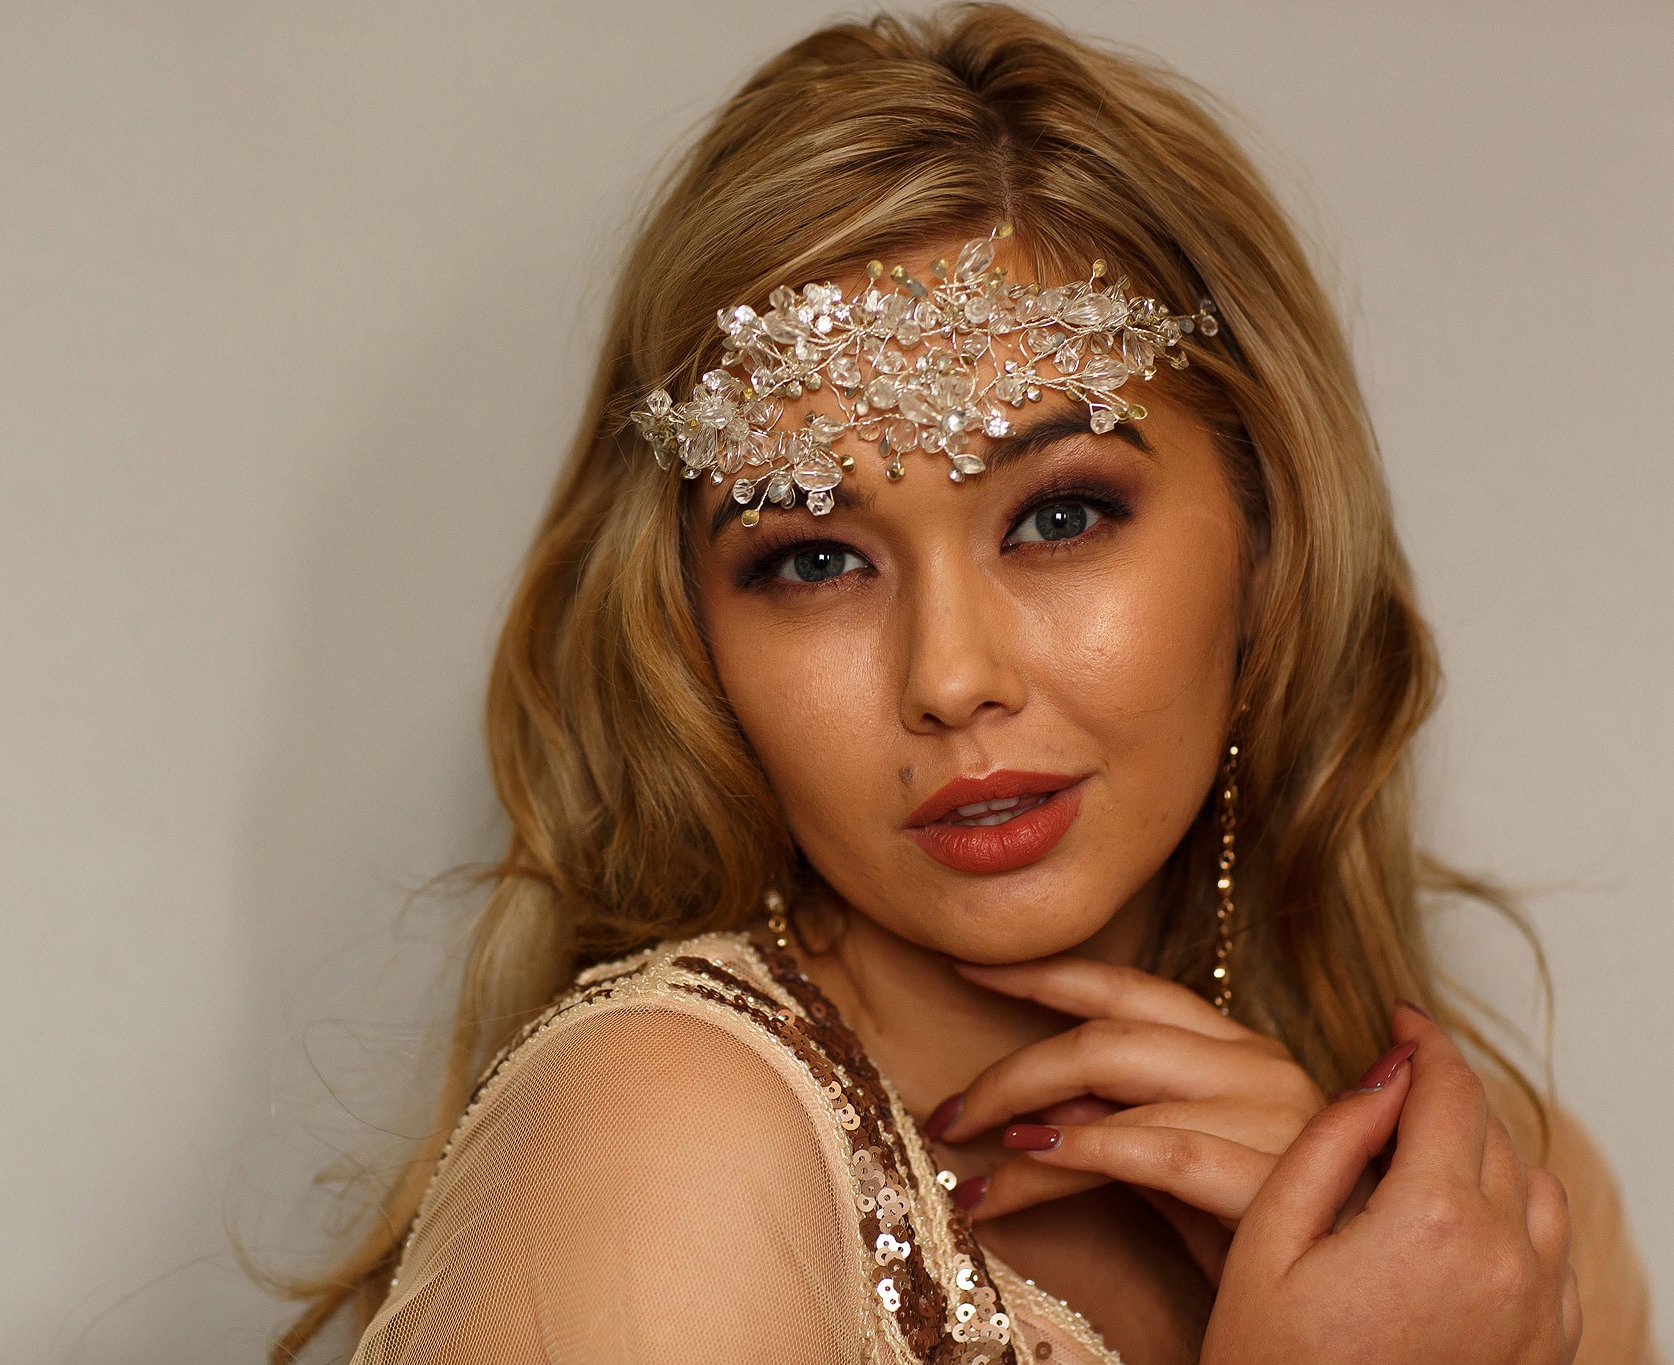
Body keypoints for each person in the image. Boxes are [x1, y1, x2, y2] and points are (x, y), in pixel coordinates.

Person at [267, 6, 1653, 1361]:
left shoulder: (1497, 1215)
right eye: (813, 558)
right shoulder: (656, 1134)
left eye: (1058, 517)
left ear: (1269, 533)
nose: (951, 677)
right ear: (690, 628)